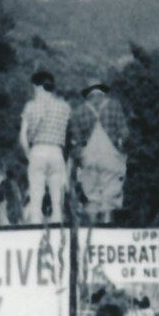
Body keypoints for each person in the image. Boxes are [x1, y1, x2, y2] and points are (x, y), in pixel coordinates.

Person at [69, 80, 130, 223]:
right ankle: (107, 228)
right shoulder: (114, 106)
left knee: (92, 197)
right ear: (102, 91)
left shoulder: (79, 111)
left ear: (88, 94)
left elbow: (76, 140)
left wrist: (81, 156)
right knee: (110, 195)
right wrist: (121, 146)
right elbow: (124, 131)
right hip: (110, 156)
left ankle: (93, 232)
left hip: (89, 157)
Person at [19, 70, 74, 226]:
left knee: (36, 198)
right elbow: (70, 134)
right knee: (57, 202)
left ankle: (36, 230)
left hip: (38, 151)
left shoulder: (30, 106)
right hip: (57, 153)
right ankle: (58, 230)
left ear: (38, 87)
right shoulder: (65, 107)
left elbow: (23, 137)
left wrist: (29, 155)